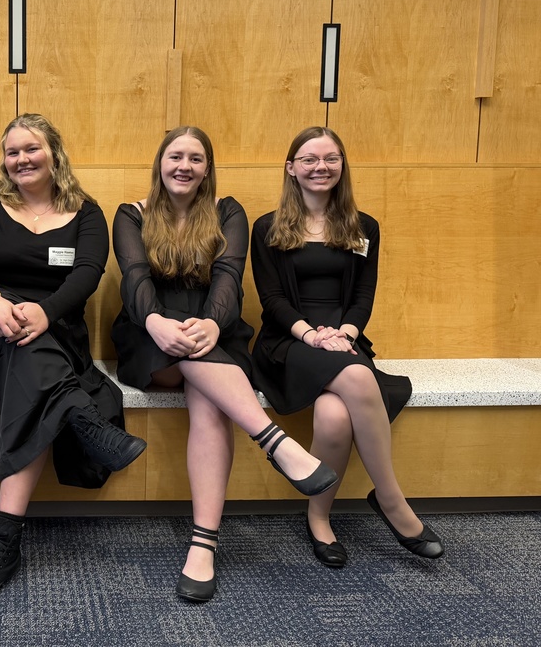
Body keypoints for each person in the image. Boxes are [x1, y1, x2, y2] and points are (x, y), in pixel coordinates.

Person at [111, 126, 338, 602]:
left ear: (207, 168)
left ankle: (203, 546)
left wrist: (213, 324)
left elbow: (229, 277)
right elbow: (134, 280)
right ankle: (277, 443)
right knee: (189, 354)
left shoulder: (227, 212)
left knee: (210, 401)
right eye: (175, 156)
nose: (184, 166)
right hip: (148, 331)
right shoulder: (131, 214)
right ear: (160, 163)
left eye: (196, 158)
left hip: (214, 330)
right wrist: (155, 321)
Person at [0, 113, 146, 601]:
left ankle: (5, 543)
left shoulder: (86, 212)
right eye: (12, 152)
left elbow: (88, 274)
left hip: (55, 328)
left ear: (54, 153)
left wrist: (46, 312)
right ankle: (83, 419)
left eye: (31, 149)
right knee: (26, 361)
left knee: (32, 371)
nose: (21, 159)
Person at [250, 126, 444, 568]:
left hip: (345, 338)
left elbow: (362, 297)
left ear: (342, 165)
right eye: (309, 159)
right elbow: (272, 299)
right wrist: (313, 334)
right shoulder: (268, 227)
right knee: (356, 374)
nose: (321, 167)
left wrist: (346, 335)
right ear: (291, 168)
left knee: (334, 417)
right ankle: (393, 502)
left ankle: (319, 518)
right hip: (291, 341)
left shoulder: (364, 226)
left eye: (331, 158)